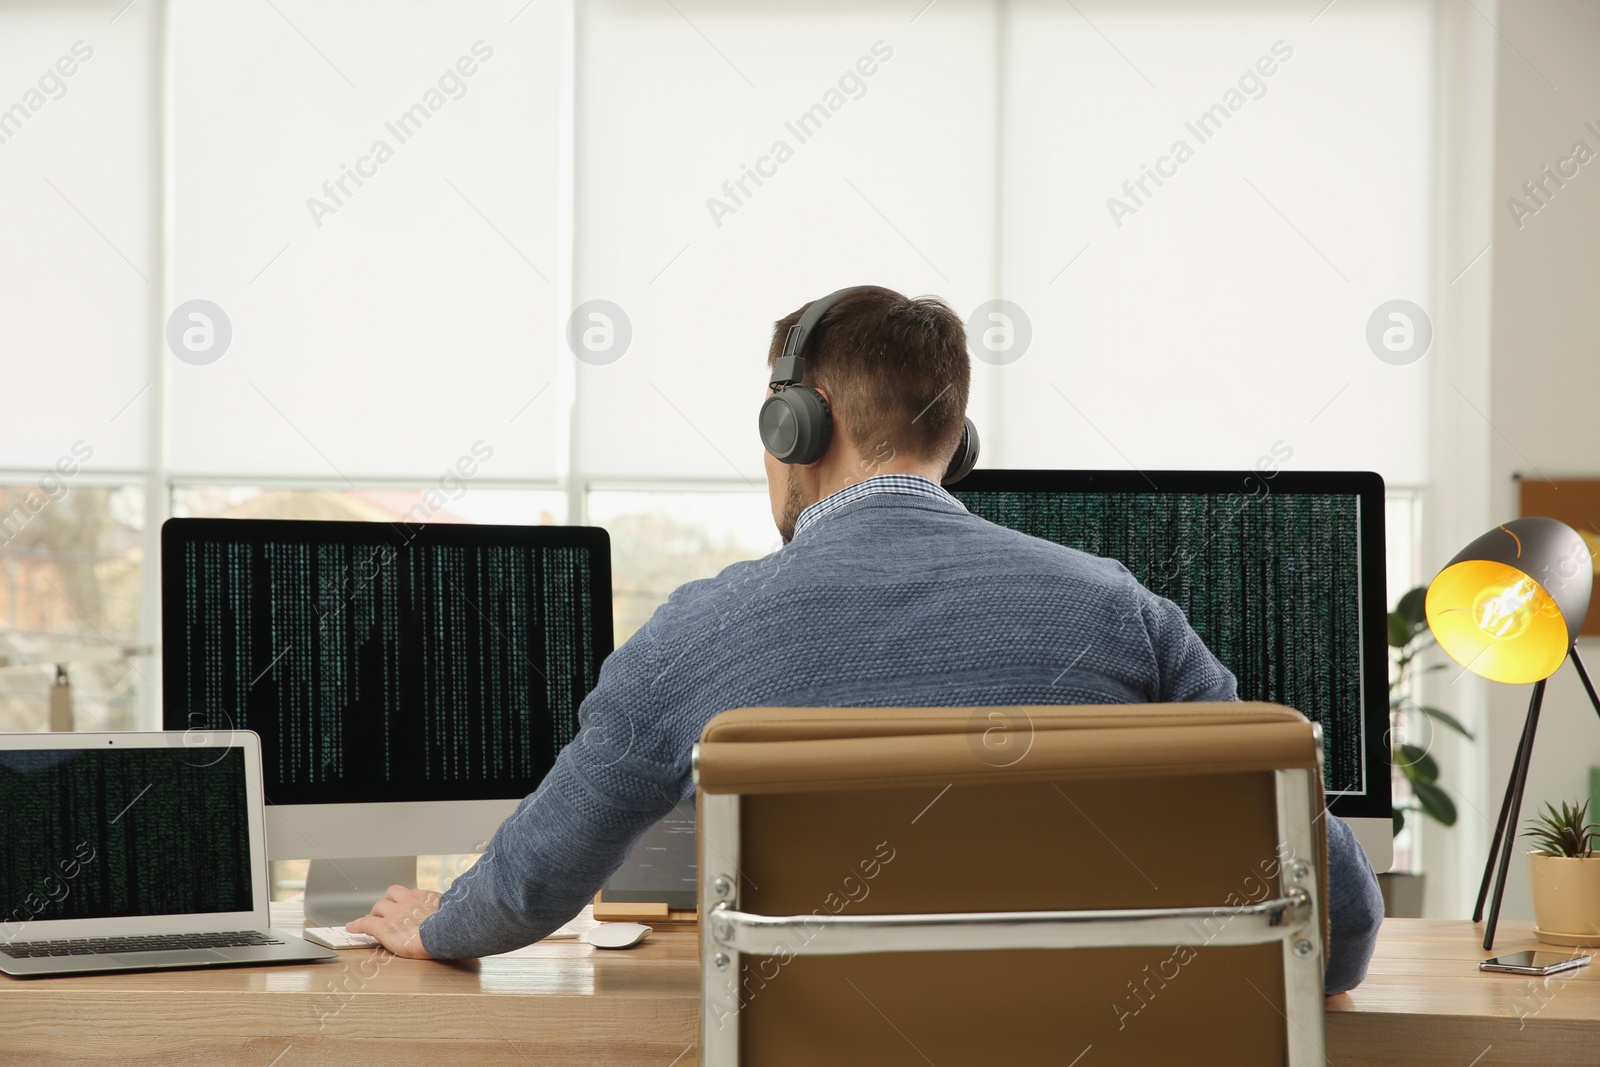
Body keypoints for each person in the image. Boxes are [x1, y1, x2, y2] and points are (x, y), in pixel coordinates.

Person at [348, 285, 1383, 994]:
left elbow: (533, 882)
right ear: (954, 441)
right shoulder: (1122, 611)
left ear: (799, 422)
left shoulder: (699, 632)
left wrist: (437, 923)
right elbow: (1336, 916)